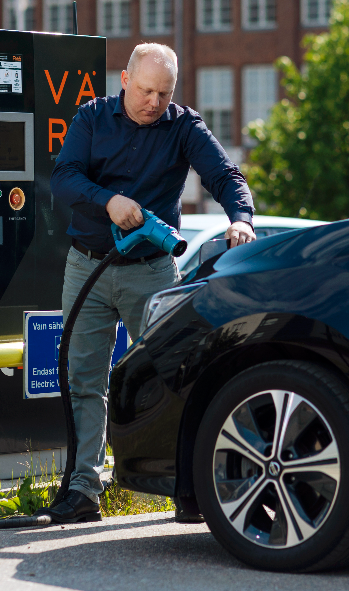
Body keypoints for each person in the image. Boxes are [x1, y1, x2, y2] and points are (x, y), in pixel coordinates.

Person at [44, 43, 256, 523]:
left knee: (175, 375)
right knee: (85, 381)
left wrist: (240, 218)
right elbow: (63, 178)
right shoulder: (92, 118)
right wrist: (108, 201)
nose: (154, 102)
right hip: (88, 268)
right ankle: (83, 490)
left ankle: (188, 484)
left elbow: (225, 175)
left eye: (164, 93)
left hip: (154, 272)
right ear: (124, 79)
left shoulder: (184, 126)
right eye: (145, 90)